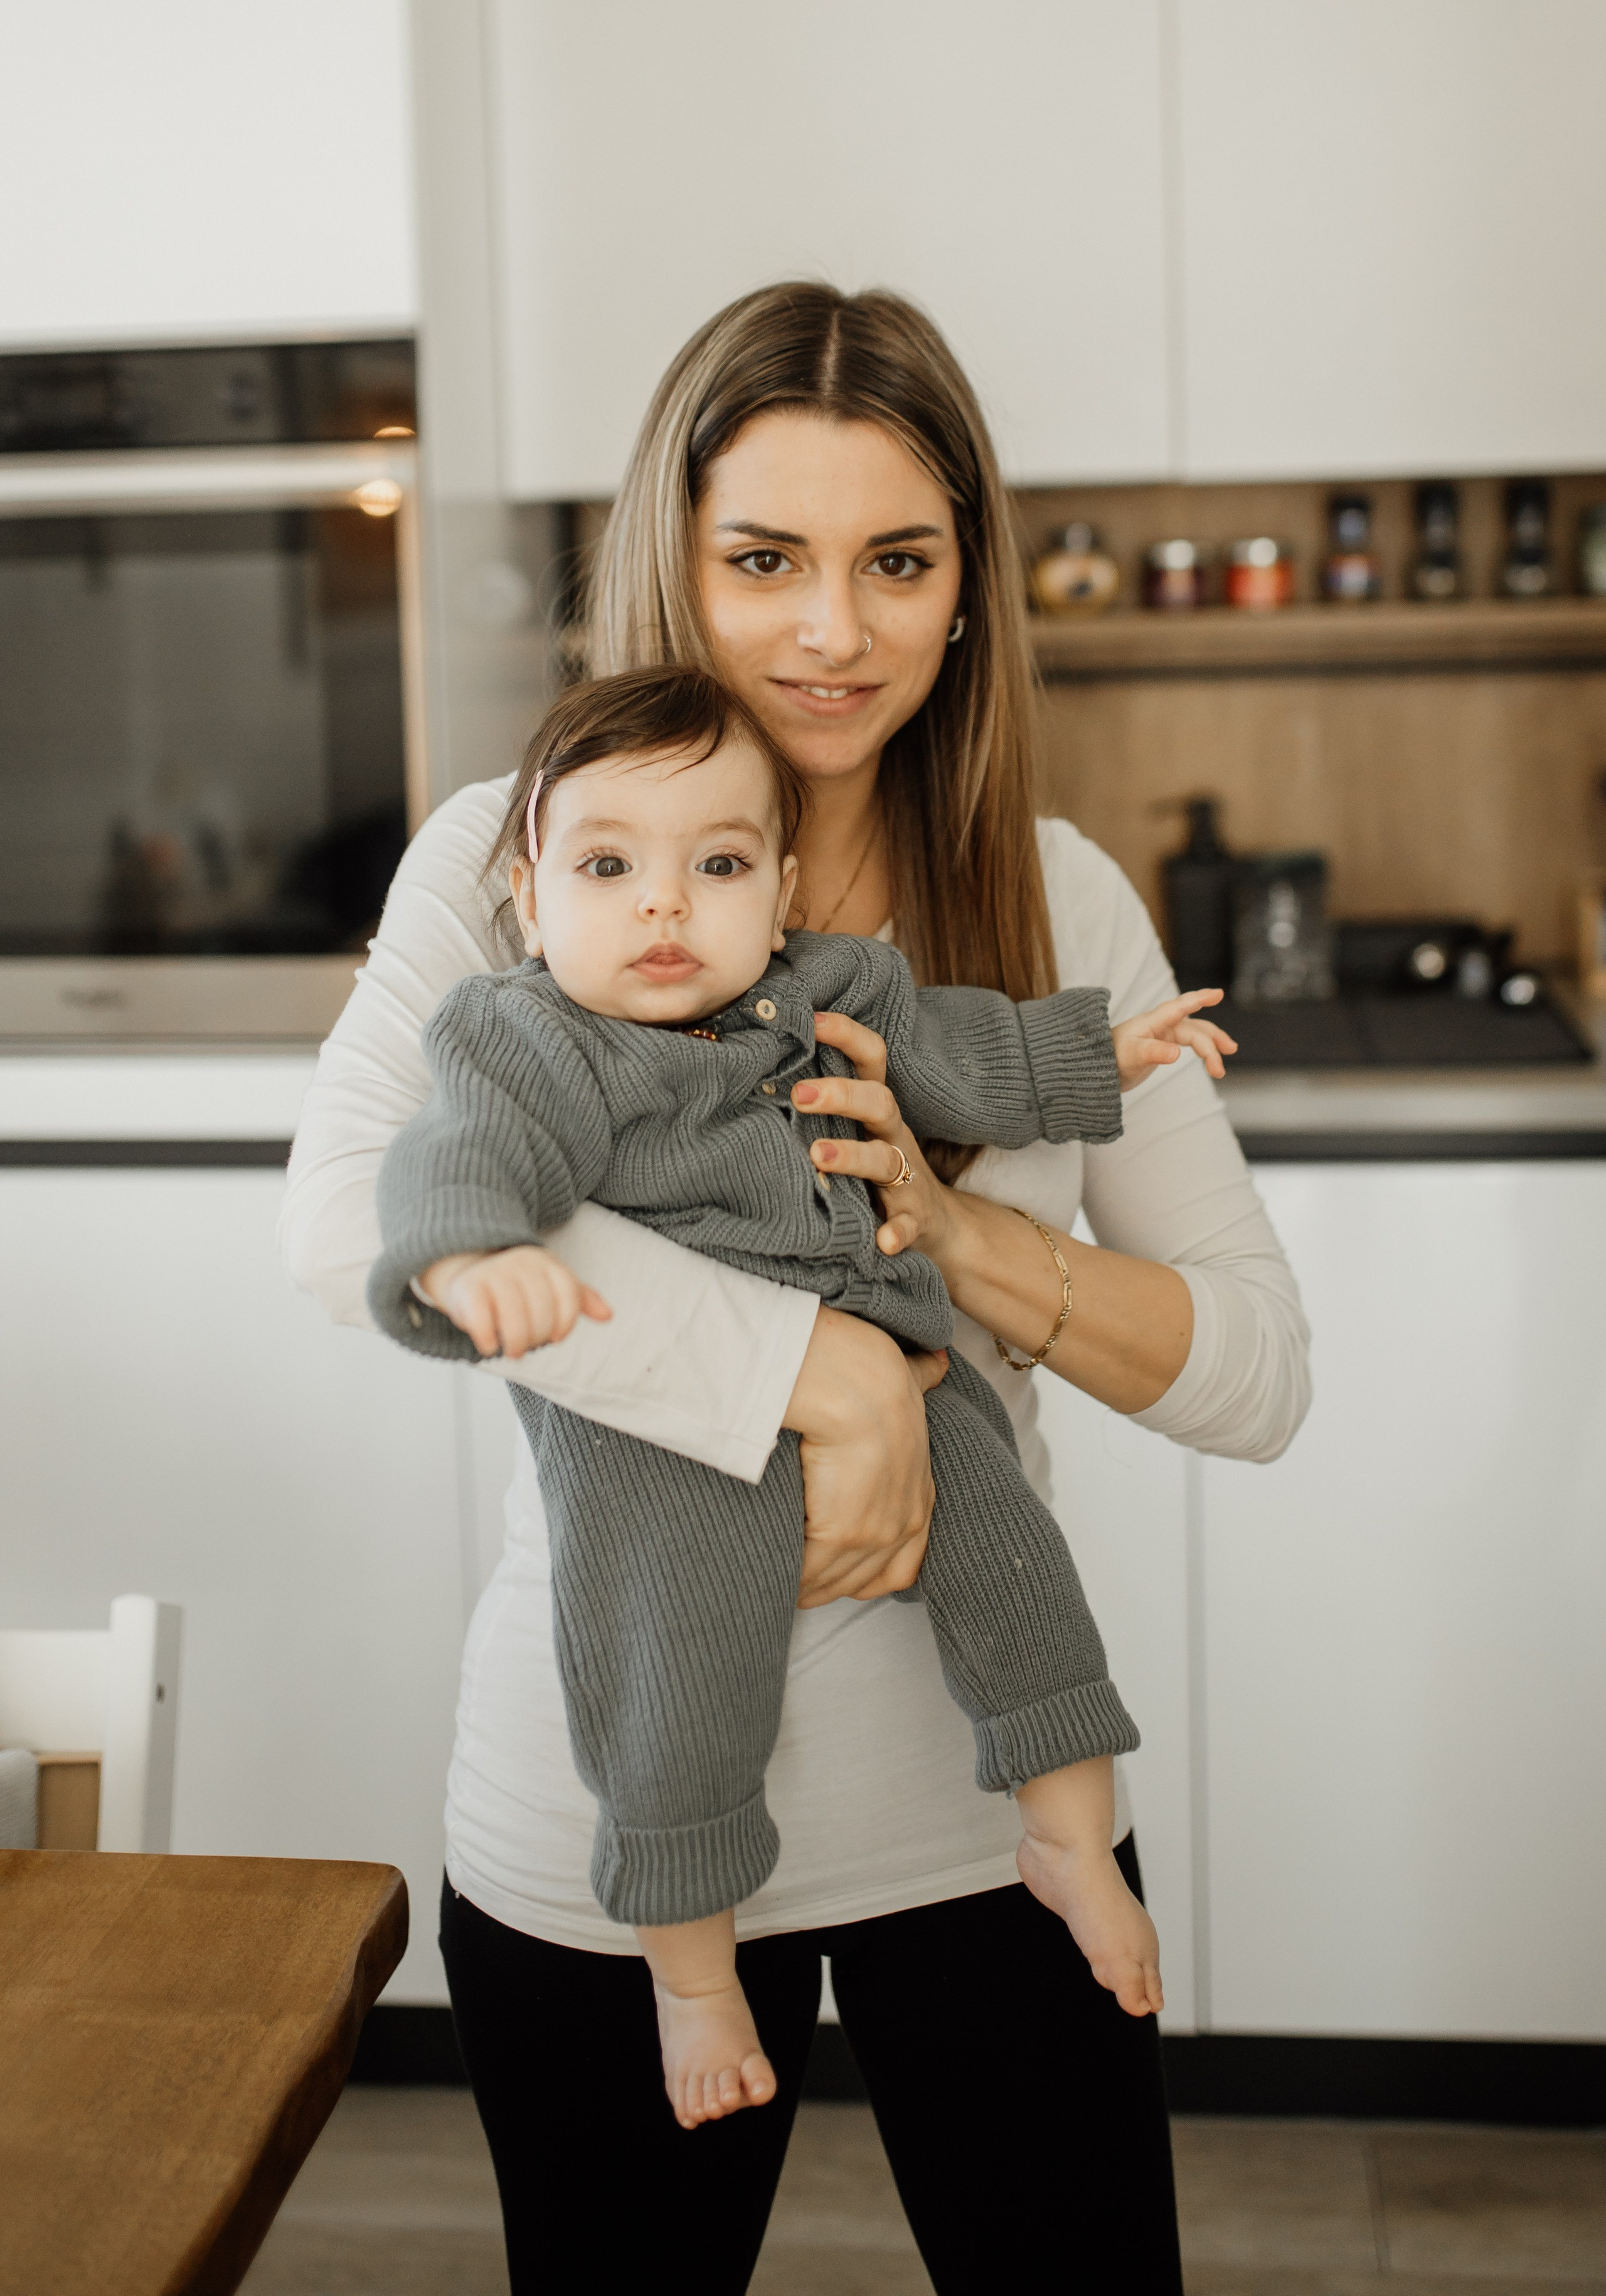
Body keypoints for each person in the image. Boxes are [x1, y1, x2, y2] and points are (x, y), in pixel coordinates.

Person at [282, 282, 1311, 2295]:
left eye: (896, 562)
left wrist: (959, 1238)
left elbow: (1255, 1375)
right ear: (674, 559)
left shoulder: (1055, 889)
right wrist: (814, 1370)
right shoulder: (511, 861)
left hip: (983, 1811)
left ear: (963, 591)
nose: (834, 632)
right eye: (766, 559)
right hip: (608, 1820)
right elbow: (354, 1225)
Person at [366, 664, 1239, 2132]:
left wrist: (1103, 1053)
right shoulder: (526, 1038)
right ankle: (693, 1978)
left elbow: (967, 1056)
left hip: (906, 1363)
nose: (662, 906)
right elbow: (451, 1160)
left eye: (714, 867)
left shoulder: (827, 989)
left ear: (777, 897)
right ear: (529, 895)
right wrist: (468, 1257)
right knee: (676, 1693)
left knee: (1021, 1574)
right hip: (666, 1453)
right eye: (606, 866)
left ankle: (1068, 1836)